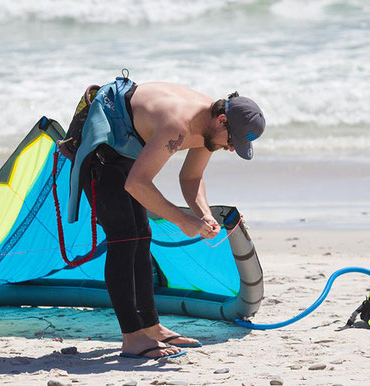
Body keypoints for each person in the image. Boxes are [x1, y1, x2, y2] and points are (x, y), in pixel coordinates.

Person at [58, 73, 265, 359]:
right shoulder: (177, 125)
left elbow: (191, 178)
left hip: (127, 150)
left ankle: (151, 327)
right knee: (125, 239)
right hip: (102, 151)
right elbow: (136, 184)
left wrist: (203, 215)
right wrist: (184, 222)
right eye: (232, 141)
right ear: (222, 120)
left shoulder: (210, 126)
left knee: (142, 236)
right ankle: (132, 338)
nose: (231, 148)